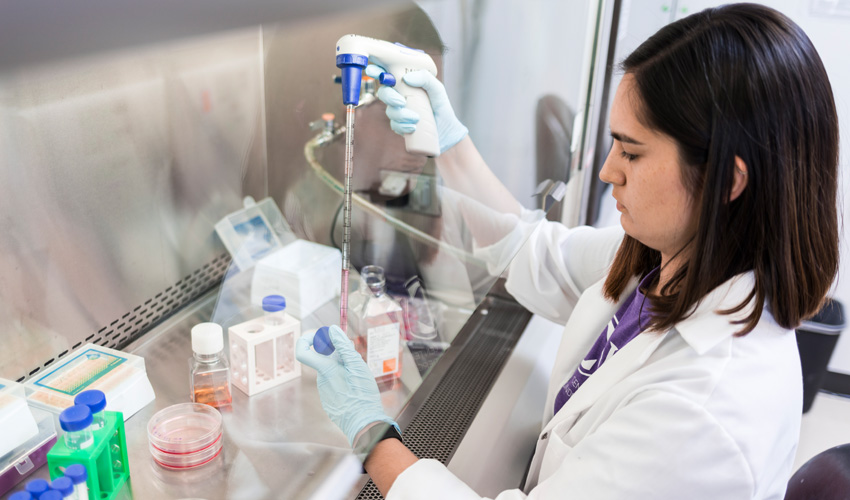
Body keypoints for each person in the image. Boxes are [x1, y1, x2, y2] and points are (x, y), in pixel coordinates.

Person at [296, 3, 840, 499]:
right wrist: (452, 144)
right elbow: (539, 254)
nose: (607, 171)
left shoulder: (704, 411)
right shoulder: (676, 259)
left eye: (631, 151)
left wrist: (373, 437)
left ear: (727, 181)